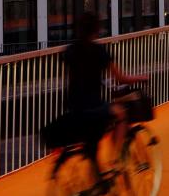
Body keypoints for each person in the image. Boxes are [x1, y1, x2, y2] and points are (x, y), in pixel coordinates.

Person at [59, 13, 148, 178]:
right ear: (96, 30)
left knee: (92, 147)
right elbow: (121, 78)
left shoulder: (70, 51)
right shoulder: (99, 51)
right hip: (93, 107)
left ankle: (96, 178)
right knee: (121, 114)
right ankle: (115, 160)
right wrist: (140, 78)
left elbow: (79, 77)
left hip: (73, 107)